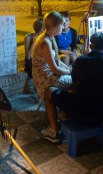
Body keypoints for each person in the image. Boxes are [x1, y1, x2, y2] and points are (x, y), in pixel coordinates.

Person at [42, 32, 103, 143]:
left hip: (82, 111)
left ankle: (53, 131)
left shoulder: (81, 60)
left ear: (91, 46)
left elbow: (74, 81)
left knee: (49, 90)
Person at [32, 11, 72, 142]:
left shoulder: (49, 37)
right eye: (61, 25)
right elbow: (54, 68)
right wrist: (70, 73)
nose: (63, 27)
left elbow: (58, 61)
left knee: (72, 80)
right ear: (54, 27)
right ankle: (57, 126)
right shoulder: (45, 41)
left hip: (48, 74)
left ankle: (60, 121)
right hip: (43, 77)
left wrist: (69, 69)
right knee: (73, 83)